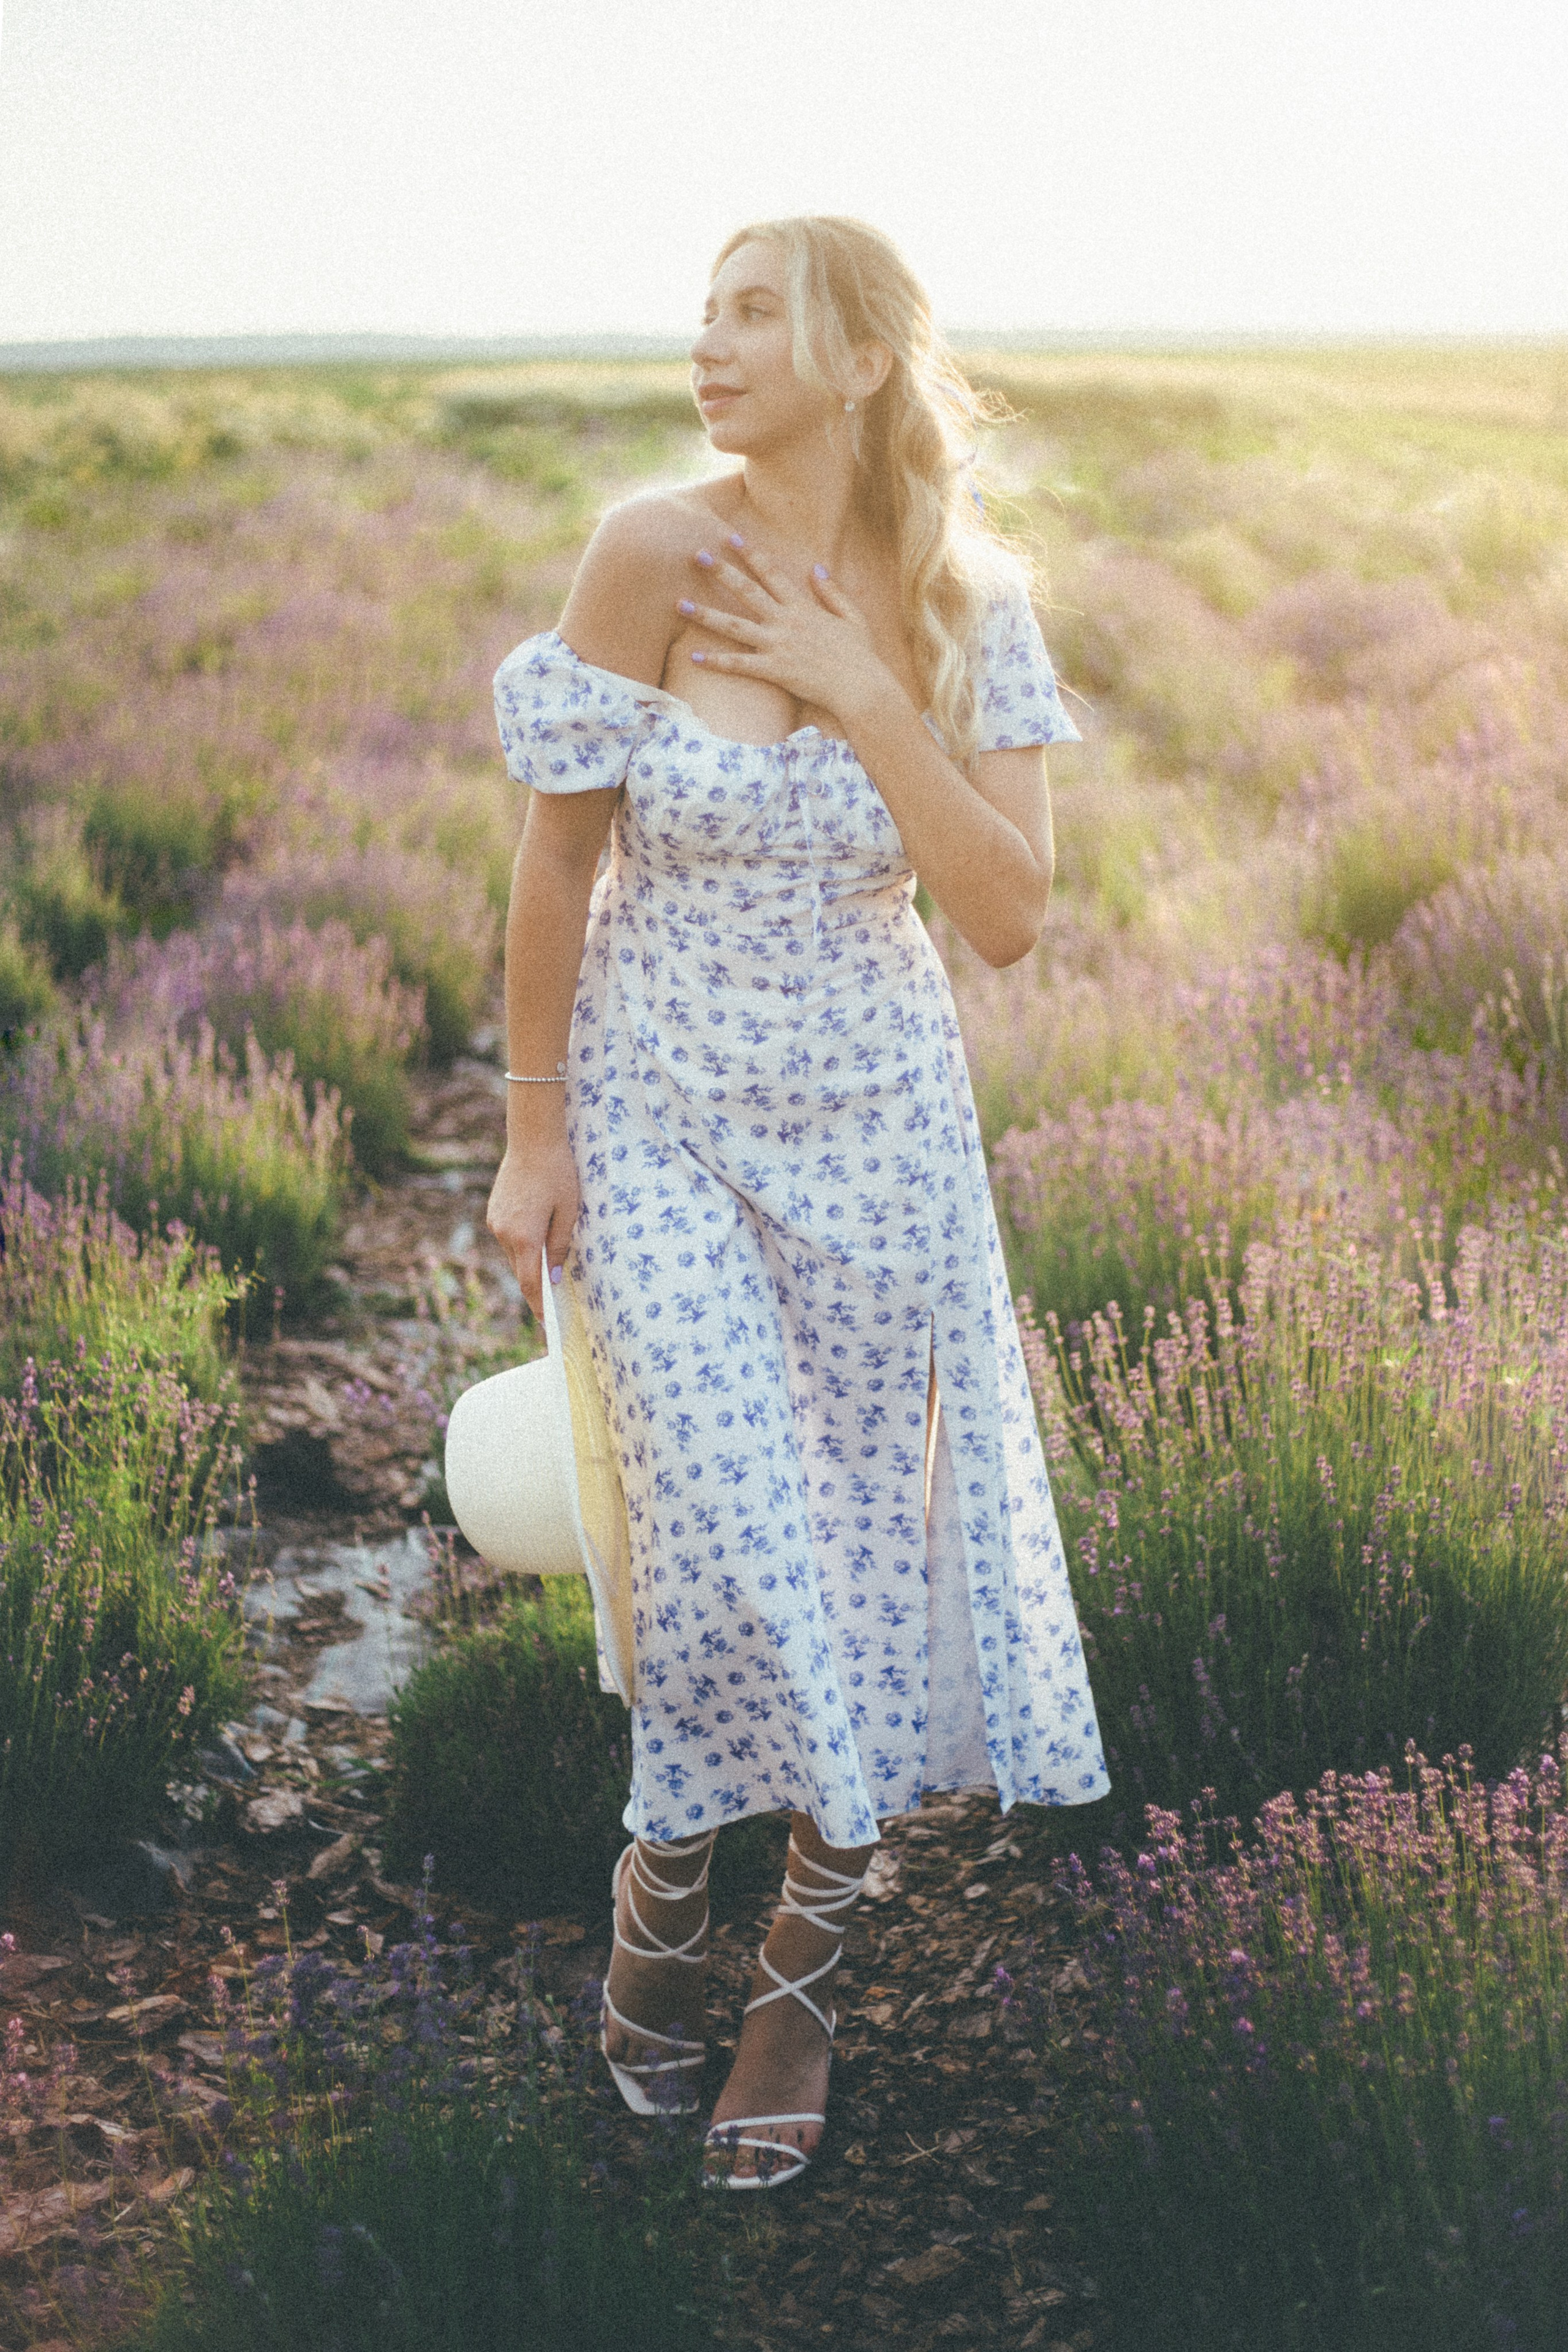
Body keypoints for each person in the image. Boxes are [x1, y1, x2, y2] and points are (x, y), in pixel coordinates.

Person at [486, 214, 1109, 2190]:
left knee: (862, 1567)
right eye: (706, 308)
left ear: (860, 357)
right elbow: (556, 872)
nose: (710, 340)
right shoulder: (652, 553)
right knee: (731, 1546)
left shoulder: (968, 599)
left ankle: (799, 1984)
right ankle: (660, 1907)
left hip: (881, 1145)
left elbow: (1007, 918)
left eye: (757, 310)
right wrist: (533, 1126)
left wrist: (863, 688)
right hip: (662, 1122)